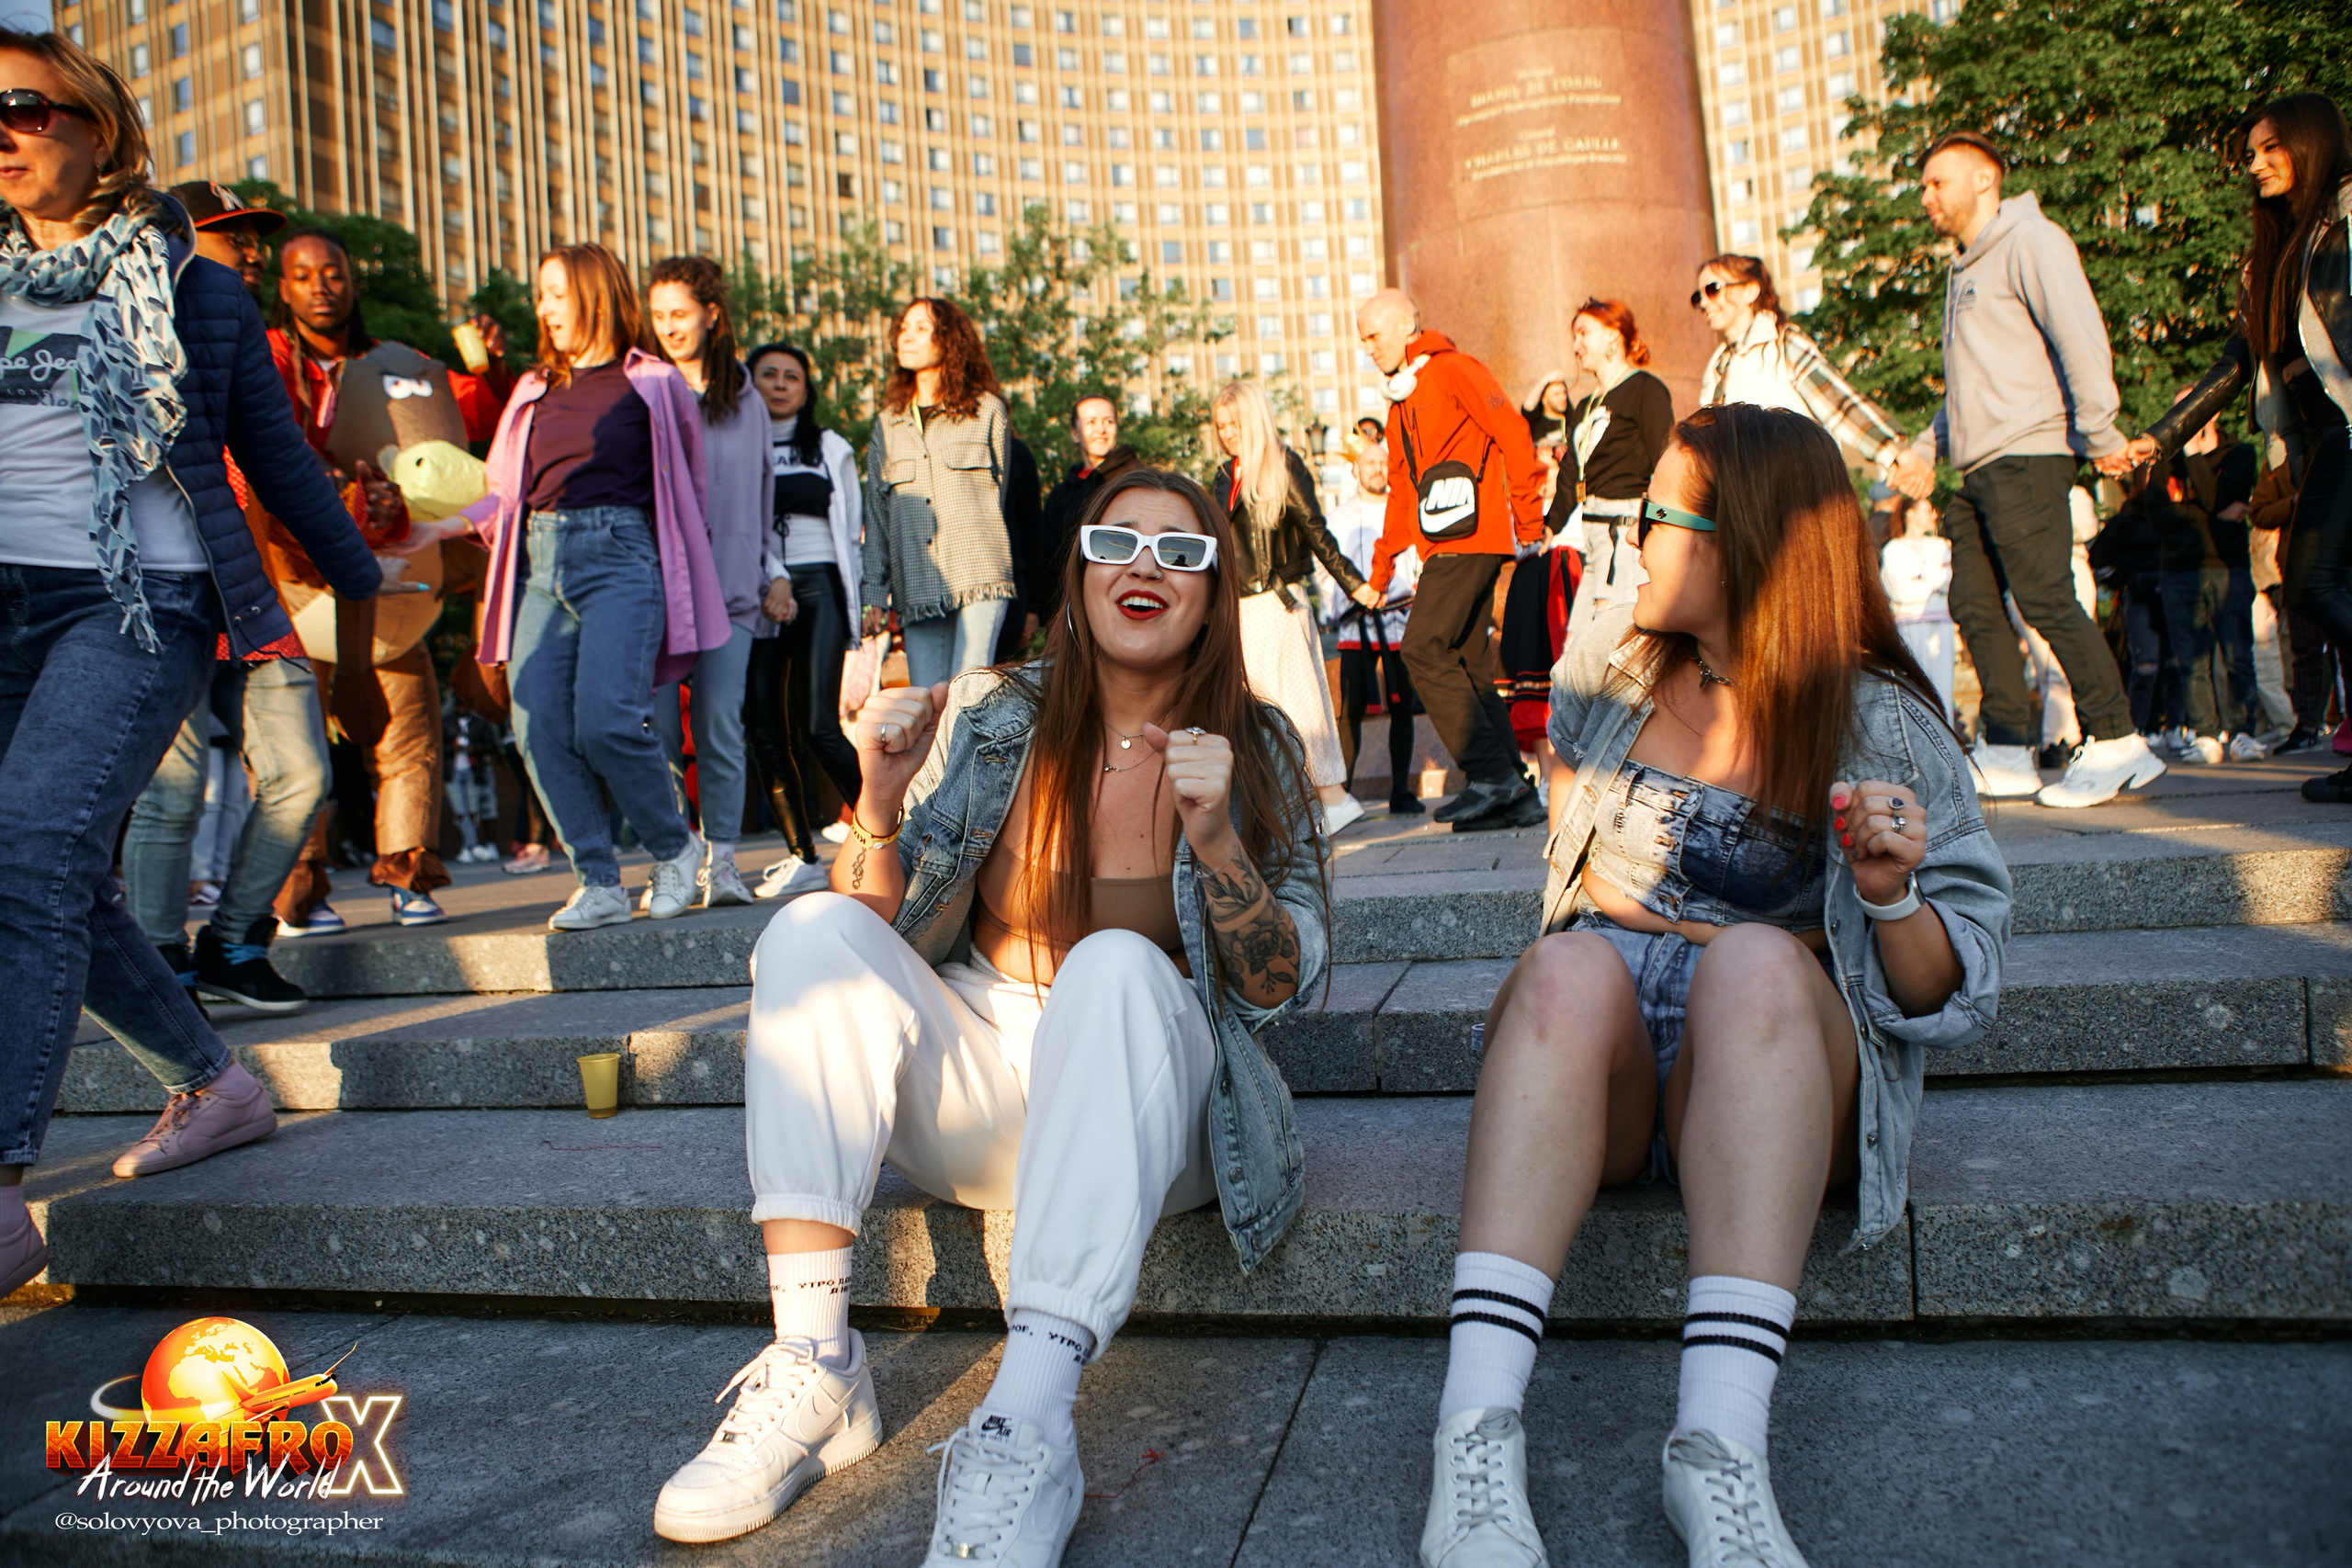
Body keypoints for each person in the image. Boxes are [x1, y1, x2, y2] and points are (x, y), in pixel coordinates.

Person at [650, 467, 1327, 1560]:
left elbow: (1281, 984)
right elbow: (872, 921)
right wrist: (877, 799)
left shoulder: (1258, 748)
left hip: (1157, 1116)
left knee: (1114, 965)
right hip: (987, 1083)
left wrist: (1216, 844)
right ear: (1079, 576)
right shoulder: (1001, 716)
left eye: (1181, 551)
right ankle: (817, 1364)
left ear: (1212, 597)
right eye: (1116, 542)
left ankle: (1025, 1422)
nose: (1146, 566)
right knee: (812, 933)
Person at [1416, 405, 2009, 1568]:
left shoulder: (1878, 720)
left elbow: (1957, 992)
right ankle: (1472, 1437)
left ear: (1742, 542)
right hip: (1607, 1062)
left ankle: (1718, 1452)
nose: (1627, 539)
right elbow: (1570, 889)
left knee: (1754, 959)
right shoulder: (1609, 670)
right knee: (1568, 963)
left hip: (1766, 1062)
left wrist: (1889, 894)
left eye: (1655, 518)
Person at [0, 27, 384, 1296]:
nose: (1, 133)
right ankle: (216, 1085)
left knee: (31, 849)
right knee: (57, 875)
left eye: (24, 107)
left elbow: (279, 465)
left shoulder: (193, 286)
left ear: (99, 126)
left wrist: (364, 619)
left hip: (136, 600)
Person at [395, 243, 729, 931]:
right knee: (536, 722)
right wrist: (435, 528)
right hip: (540, 564)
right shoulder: (532, 389)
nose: (542, 308)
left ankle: (674, 847)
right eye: (541, 295)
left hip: (623, 557)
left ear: (594, 294)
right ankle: (598, 880)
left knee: (608, 720)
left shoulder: (655, 383)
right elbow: (501, 492)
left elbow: (691, 490)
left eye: (555, 293)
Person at [118, 178, 334, 1014]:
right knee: (171, 791)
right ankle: (160, 962)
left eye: (253, 239)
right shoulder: (125, 326)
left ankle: (235, 942)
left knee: (302, 774)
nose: (249, 252)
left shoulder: (257, 344)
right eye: (228, 236)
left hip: (250, 594)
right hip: (159, 590)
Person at [256, 227, 511, 934]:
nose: (321, 286)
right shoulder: (264, 357)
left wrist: (491, 366)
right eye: (303, 275)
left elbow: (475, 424)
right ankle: (299, 887)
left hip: (392, 575)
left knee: (409, 732)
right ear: (283, 288)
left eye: (333, 271)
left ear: (353, 281)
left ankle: (408, 874)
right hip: (295, 580)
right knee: (292, 747)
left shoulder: (398, 365)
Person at [1907, 129, 2164, 808]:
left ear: (1984, 180)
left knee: (2045, 596)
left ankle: (2118, 740)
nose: (1926, 196)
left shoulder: (2031, 241)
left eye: (1938, 182)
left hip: (2029, 453)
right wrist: (1926, 446)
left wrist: (2100, 431)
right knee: (1971, 601)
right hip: (1979, 465)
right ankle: (2007, 750)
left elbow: (2081, 336)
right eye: (1924, 185)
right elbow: (1968, 385)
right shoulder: (1962, 270)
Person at [2121, 95, 2352, 802]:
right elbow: (2234, 364)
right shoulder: (2274, 256)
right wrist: (2161, 435)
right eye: (2250, 153)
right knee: (2325, 584)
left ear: (2311, 142)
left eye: (2271, 147)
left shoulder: (2347, 217)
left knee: (2312, 581)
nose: (2255, 163)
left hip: (2350, 424)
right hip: (2318, 437)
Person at [1355, 288, 1549, 831]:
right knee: (1465, 662)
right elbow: (1401, 492)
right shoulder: (1400, 402)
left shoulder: (1456, 369)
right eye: (1362, 340)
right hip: (1441, 543)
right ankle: (1516, 795)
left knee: (1422, 648)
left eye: (1373, 335)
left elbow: (1514, 432)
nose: (1368, 348)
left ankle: (1491, 776)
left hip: (1473, 537)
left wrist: (1528, 521)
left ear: (1407, 325)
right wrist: (1380, 572)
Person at [646, 255, 773, 908]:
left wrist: (766, 568)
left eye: (680, 313)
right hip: (658, 593)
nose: (669, 326)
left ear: (711, 314)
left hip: (731, 589)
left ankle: (723, 863)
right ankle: (673, 859)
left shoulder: (747, 397)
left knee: (721, 723)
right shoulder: (643, 386)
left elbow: (763, 491)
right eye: (658, 315)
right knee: (658, 732)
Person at [1213, 378, 1378, 834]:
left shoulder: (1282, 465)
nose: (1227, 433)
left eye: (1235, 423)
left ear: (1254, 420)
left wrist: (1355, 584)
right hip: (1241, 608)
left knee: (1297, 705)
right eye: (1221, 425)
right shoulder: (1225, 476)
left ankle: (1332, 797)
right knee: (1255, 708)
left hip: (1278, 601)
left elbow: (1315, 530)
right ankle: (1289, 806)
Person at [742, 342, 863, 901]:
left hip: (820, 587)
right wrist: (772, 577)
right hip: (757, 589)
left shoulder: (831, 447)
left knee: (819, 727)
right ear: (750, 383)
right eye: (768, 374)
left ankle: (895, 832)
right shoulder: (738, 445)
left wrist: (862, 601)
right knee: (765, 727)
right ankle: (802, 855)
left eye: (792, 376)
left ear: (806, 389)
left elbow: (852, 530)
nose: (780, 383)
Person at [861, 297, 1015, 688]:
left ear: (948, 339)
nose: (906, 337)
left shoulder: (987, 410)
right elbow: (876, 517)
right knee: (926, 702)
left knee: (968, 694)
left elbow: (1001, 495)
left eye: (920, 328)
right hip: (917, 582)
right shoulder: (888, 424)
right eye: (903, 329)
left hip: (978, 575)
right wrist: (873, 594)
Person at [1693, 253, 1936, 502]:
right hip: (1747, 505)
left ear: (1750, 291)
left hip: (1799, 500)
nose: (1703, 303)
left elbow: (1839, 403)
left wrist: (1899, 454)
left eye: (1713, 289)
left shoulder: (1783, 344)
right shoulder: (1716, 367)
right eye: (1697, 296)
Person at [2124, 392, 2263, 764]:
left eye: (2193, 407)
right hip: (2177, 570)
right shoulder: (2161, 464)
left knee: (2237, 653)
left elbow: (2217, 497)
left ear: (2211, 412)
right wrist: (2213, 515)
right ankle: (2205, 734)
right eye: (2178, 408)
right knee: (2190, 660)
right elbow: (2159, 517)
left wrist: (2193, 456)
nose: (2184, 416)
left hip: (2225, 567)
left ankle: (2243, 732)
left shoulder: (2239, 454)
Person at [1545, 299, 1677, 636]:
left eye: (1583, 333)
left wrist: (1656, 525)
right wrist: (1548, 527)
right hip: (1593, 536)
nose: (1576, 345)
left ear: (1613, 335)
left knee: (1613, 641)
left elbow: (1666, 461)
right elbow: (1571, 473)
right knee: (1577, 649)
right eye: (1574, 336)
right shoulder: (1586, 405)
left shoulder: (1645, 389)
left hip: (1624, 532)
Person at [1321, 440, 1423, 813]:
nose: (1379, 469)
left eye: (1384, 462)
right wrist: (1346, 601)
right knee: (1351, 709)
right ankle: (1343, 795)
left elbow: (1419, 561)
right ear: (1356, 470)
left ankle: (1401, 791)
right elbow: (1326, 568)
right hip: (1356, 623)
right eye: (1370, 463)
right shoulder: (1339, 517)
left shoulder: (1406, 511)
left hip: (1398, 618)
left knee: (1402, 707)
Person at [1036, 391, 1136, 621]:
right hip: (1073, 613)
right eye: (1091, 422)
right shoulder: (1061, 495)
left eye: (1108, 421)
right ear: (1074, 433)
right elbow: (1050, 562)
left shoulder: (1137, 481)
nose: (1101, 429)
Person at [1882, 496, 1958, 726]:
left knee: (1943, 688)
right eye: (1927, 510)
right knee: (1914, 688)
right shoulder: (1893, 549)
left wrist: (1922, 578)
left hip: (1940, 624)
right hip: (1909, 625)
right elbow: (1899, 590)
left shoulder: (1941, 546)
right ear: (1910, 513)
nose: (1933, 515)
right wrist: (1934, 581)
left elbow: (1951, 580)